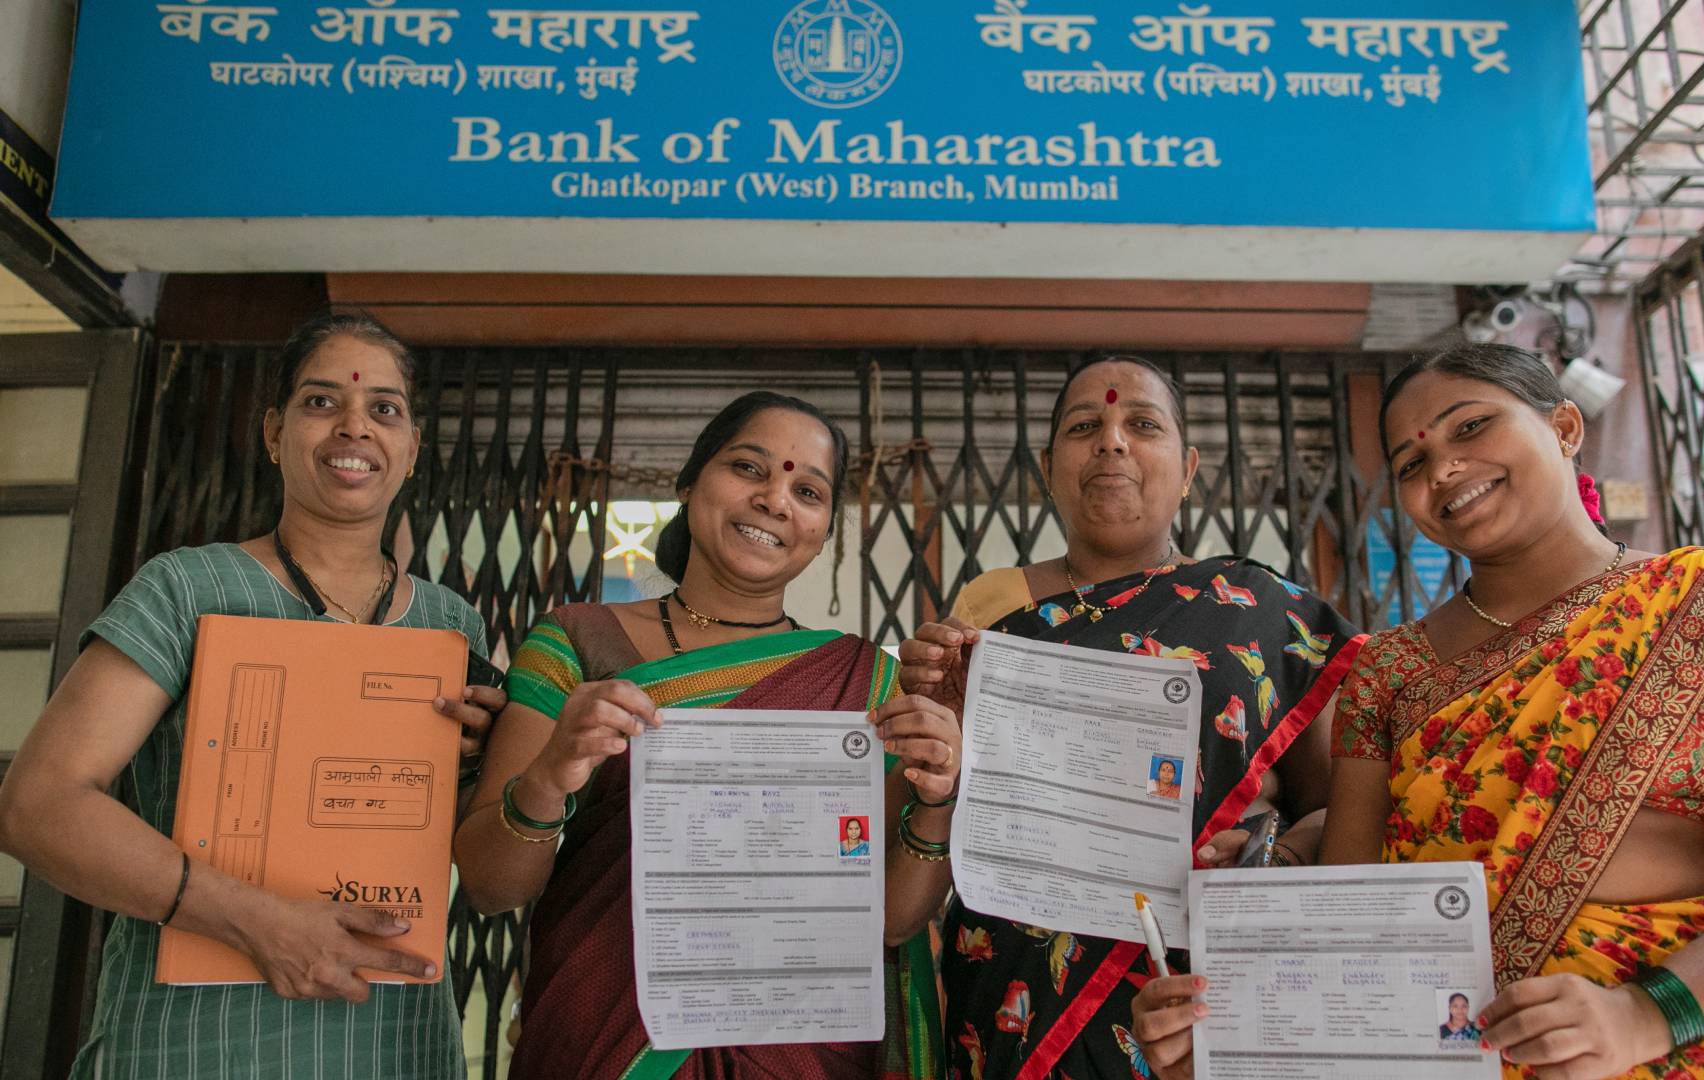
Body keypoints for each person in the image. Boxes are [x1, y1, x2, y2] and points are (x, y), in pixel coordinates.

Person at [1131, 343, 1704, 1080]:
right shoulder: (1391, 672)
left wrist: (1644, 1016)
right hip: (1457, 1055)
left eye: (1471, 426)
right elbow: (1354, 917)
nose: (1444, 468)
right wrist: (1233, 1031)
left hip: (1698, 1042)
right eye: (1412, 462)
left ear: (1565, 426)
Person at [0, 312, 507, 1078]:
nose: (353, 427)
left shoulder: (451, 626)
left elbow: (485, 855)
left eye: (385, 410)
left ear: (411, 453)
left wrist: (483, 760)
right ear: (273, 434)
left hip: (392, 1040)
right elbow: (37, 805)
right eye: (319, 401)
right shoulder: (188, 589)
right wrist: (258, 921)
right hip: (192, 1039)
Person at [454, 391, 960, 1080]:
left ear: (822, 528)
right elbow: (489, 886)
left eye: (806, 490)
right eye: (750, 469)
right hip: (606, 1037)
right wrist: (550, 774)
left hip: (799, 1051)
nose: (775, 500)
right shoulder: (575, 643)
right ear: (692, 481)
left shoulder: (867, 684)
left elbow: (891, 923)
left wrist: (937, 800)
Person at [898, 355, 1362, 1080]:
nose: (1111, 441)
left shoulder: (1264, 612)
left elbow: (1346, 811)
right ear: (1049, 468)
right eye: (1085, 426)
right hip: (1006, 999)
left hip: (1191, 1005)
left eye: (1141, 424)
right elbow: (949, 808)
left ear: (1187, 467)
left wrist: (1275, 849)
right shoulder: (991, 608)